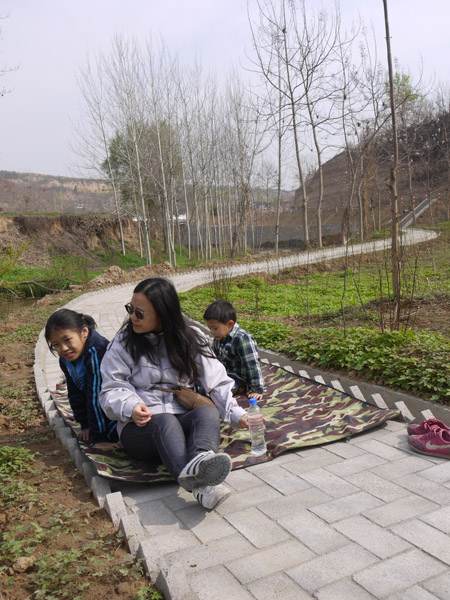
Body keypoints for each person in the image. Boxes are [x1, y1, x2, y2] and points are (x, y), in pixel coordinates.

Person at [99, 278, 249, 510]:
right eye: (131, 309)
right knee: (165, 421)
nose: (133, 317)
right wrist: (130, 407)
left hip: (182, 415)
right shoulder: (123, 344)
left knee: (207, 410)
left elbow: (216, 380)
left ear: (163, 313)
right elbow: (111, 388)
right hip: (140, 429)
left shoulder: (191, 338)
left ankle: (201, 458)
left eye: (140, 313)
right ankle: (201, 486)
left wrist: (236, 413)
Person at [45, 309, 118, 445]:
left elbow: (96, 394)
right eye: (56, 345)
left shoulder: (97, 351)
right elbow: (74, 391)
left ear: (84, 332)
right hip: (98, 408)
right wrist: (84, 424)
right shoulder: (66, 359)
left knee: (116, 433)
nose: (64, 348)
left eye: (67, 340)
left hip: (115, 403)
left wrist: (98, 436)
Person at [203, 300, 265, 401]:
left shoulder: (242, 339)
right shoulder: (219, 337)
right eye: (210, 328)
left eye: (215, 328)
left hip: (239, 380)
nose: (212, 332)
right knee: (202, 387)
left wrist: (257, 389)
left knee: (218, 392)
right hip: (224, 375)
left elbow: (253, 365)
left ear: (230, 324)